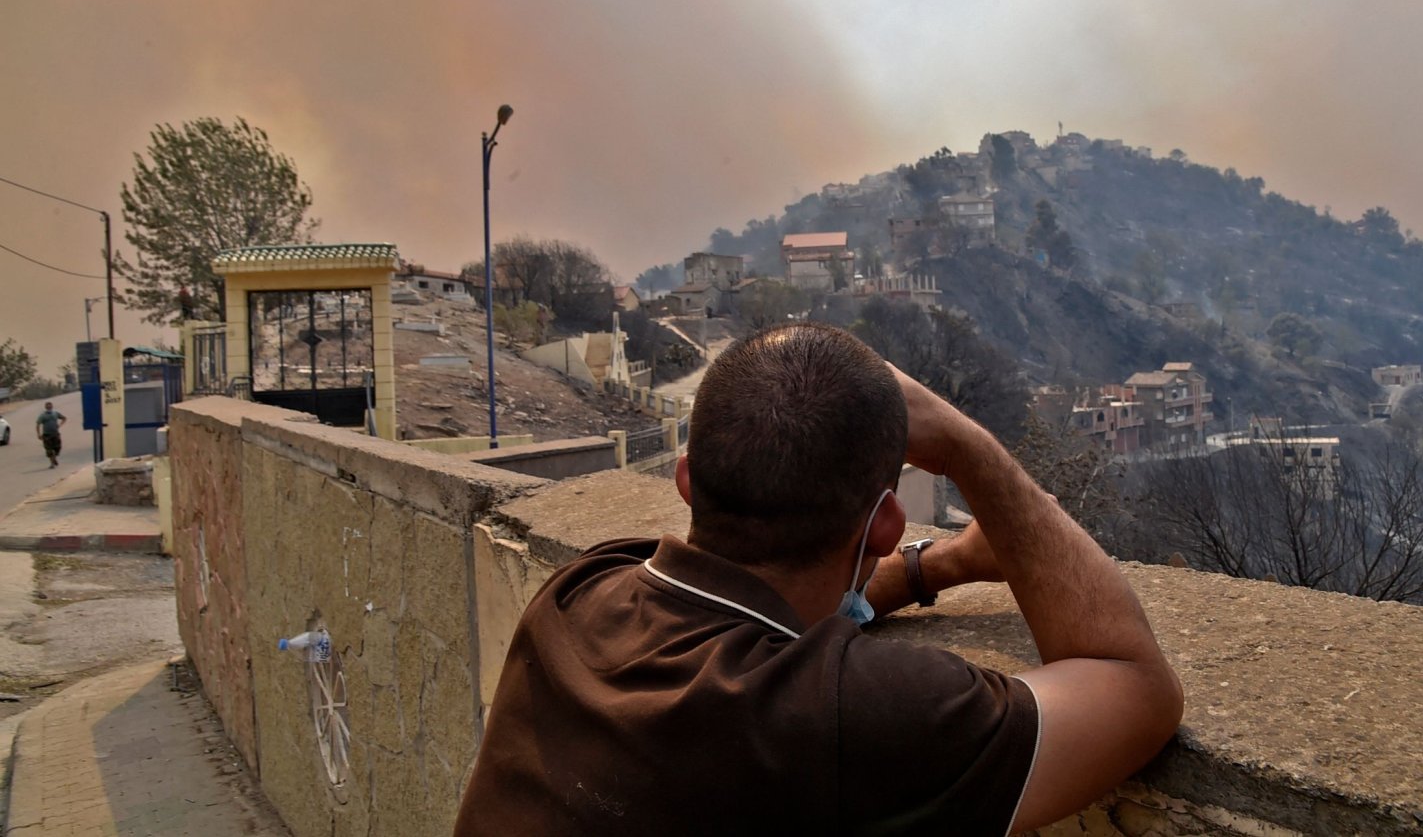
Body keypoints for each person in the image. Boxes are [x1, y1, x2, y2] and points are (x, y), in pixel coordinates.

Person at [454, 323, 1182, 835]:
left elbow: (768, 609)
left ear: (686, 481)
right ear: (885, 525)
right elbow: (1136, 688)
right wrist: (966, 446)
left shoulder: (583, 589)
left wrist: (941, 565)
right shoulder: (848, 716)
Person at [36, 401, 67, 468]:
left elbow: (64, 418)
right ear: (45, 407)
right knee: (49, 450)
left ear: (52, 406)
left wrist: (60, 425)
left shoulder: (55, 413)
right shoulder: (42, 415)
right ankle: (52, 463)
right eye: (47, 406)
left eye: (50, 406)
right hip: (47, 435)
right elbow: (38, 424)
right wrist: (38, 434)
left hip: (55, 434)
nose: (49, 407)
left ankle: (54, 458)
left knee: (57, 448)